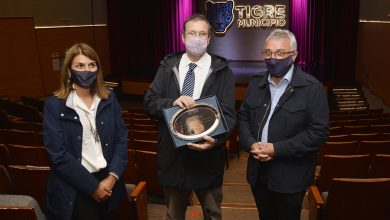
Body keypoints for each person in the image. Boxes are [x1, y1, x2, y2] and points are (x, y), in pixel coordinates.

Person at [144, 13, 236, 220]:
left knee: (213, 214)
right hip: (173, 157)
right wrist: (171, 102)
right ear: (183, 37)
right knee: (173, 214)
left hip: (208, 157)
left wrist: (216, 140)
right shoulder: (167, 67)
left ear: (209, 38)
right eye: (192, 33)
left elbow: (229, 114)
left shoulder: (222, 71)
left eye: (202, 33)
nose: (197, 38)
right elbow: (149, 102)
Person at [238, 29, 329, 220]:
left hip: (291, 178)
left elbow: (318, 133)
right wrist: (251, 144)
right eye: (268, 53)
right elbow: (244, 118)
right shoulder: (255, 83)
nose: (273, 59)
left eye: (280, 53)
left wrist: (276, 149)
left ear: (294, 55)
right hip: (258, 175)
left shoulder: (312, 88)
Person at [43, 43, 128, 220]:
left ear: (97, 70)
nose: (86, 71)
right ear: (68, 72)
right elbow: (57, 155)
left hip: (109, 181)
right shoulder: (54, 105)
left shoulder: (109, 98)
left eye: (91, 65)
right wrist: (93, 187)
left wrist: (112, 177)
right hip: (76, 185)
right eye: (80, 66)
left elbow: (121, 139)